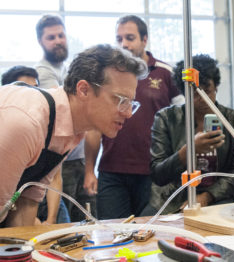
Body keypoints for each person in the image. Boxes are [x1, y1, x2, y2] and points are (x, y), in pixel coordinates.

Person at [0, 44, 147, 227]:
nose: (128, 113)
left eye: (131, 103)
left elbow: (27, 200)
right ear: (83, 89)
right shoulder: (28, 123)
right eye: (121, 100)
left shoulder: (69, 131)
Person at [84, 15, 184, 219]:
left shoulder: (166, 74)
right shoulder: (107, 76)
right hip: (112, 171)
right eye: (119, 39)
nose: (124, 44)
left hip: (153, 174)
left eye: (130, 38)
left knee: (148, 234)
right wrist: (88, 170)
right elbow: (93, 125)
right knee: (112, 234)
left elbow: (183, 122)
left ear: (144, 39)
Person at [141, 54, 234, 215]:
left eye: (207, 91)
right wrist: (190, 150)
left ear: (216, 87)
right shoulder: (166, 118)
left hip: (217, 198)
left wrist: (207, 196)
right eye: (195, 94)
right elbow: (158, 174)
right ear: (183, 93)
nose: (202, 99)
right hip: (170, 199)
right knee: (147, 232)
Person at [35, 14, 96, 222]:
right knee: (64, 226)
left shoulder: (65, 70)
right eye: (51, 37)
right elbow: (64, 111)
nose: (58, 41)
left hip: (77, 157)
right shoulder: (42, 72)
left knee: (84, 223)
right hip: (60, 162)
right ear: (40, 42)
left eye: (61, 35)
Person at [1, 65, 70, 225]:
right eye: (28, 89)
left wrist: (50, 220)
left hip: (36, 201)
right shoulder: (20, 124)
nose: (36, 94)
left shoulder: (52, 128)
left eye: (37, 88)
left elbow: (50, 181)